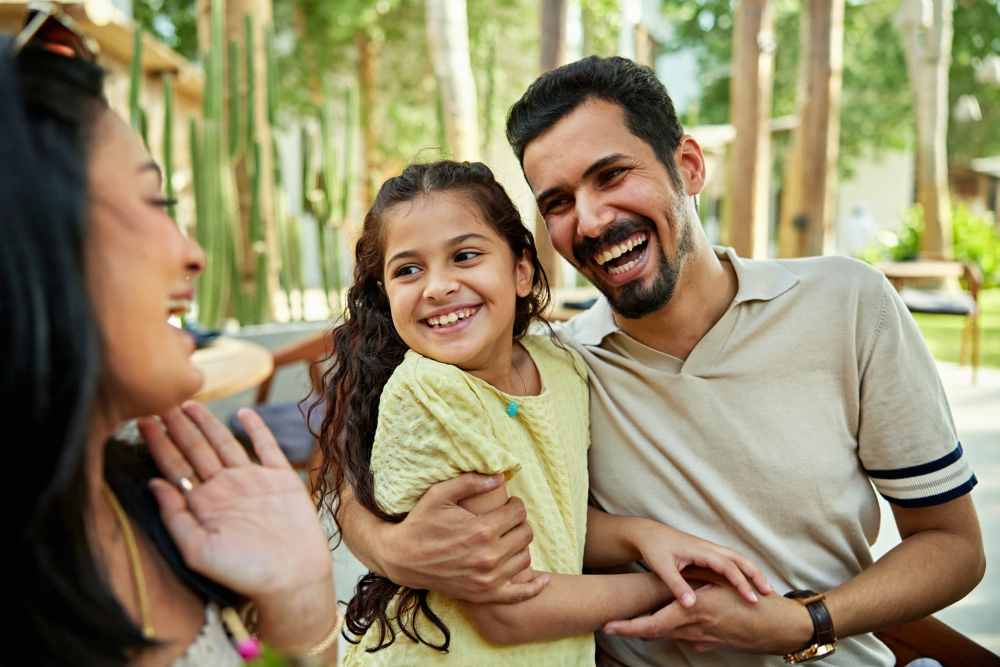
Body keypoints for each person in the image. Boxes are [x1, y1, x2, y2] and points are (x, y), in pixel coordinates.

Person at [336, 56, 986, 666]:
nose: (589, 220)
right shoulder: (563, 365)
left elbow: (954, 547)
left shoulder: (847, 304)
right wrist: (392, 546)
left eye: (612, 175)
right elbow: (364, 459)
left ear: (690, 166)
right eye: (558, 202)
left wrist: (803, 621)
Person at [317, 160, 771, 665]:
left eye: (465, 256)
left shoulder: (559, 366)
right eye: (408, 270)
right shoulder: (432, 394)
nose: (437, 286)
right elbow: (508, 611)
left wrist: (643, 537)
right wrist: (676, 590)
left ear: (521, 271)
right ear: (384, 293)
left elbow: (552, 519)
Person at [3, 12, 339, 666]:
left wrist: (301, 607)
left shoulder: (158, 516)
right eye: (157, 204)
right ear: (34, 241)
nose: (195, 254)